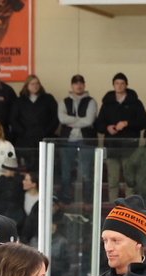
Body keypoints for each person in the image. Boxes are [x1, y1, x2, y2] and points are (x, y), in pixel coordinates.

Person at [95, 73, 146, 204]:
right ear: (113, 85)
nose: (119, 85)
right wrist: (107, 128)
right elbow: (98, 124)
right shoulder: (107, 103)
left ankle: (129, 206)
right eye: (117, 83)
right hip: (112, 147)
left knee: (129, 180)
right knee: (112, 180)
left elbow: (143, 122)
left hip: (129, 147)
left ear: (126, 85)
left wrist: (127, 123)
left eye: (122, 83)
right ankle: (115, 207)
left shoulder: (135, 103)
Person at [57, 75, 98, 204]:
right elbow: (62, 119)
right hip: (67, 142)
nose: (78, 86)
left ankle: (88, 202)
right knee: (66, 174)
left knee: (86, 174)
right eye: (75, 83)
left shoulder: (91, 101)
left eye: (80, 83)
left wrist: (72, 121)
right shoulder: (63, 102)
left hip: (86, 142)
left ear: (84, 85)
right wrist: (81, 121)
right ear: (71, 85)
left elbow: (89, 120)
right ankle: (66, 200)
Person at [10, 74, 59, 165]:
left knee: (46, 164)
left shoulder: (48, 99)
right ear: (27, 86)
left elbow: (55, 117)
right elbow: (13, 119)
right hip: (26, 140)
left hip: (44, 138)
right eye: (32, 84)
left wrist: (47, 131)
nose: (35, 86)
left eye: (37, 83)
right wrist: (23, 132)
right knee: (29, 165)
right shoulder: (20, 101)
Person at [0, 159, 25, 225]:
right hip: (2, 208)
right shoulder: (2, 179)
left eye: (5, 171)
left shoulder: (20, 180)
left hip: (15, 209)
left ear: (13, 171)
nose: (3, 173)